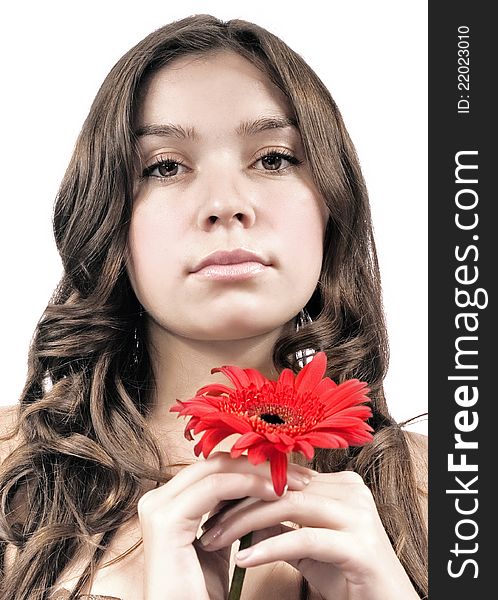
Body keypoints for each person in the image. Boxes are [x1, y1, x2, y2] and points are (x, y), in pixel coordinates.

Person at [0, 14, 427, 600]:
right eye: (165, 166)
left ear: (332, 202)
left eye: (274, 158)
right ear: (108, 219)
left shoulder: (449, 491)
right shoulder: (10, 474)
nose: (226, 205)